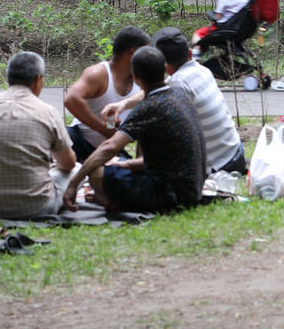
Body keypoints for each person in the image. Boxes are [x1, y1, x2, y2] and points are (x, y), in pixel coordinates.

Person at [64, 46, 205, 214]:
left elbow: (109, 147)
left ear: (136, 77)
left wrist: (74, 183)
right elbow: (156, 161)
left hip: (170, 196)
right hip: (192, 191)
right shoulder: (179, 95)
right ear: (164, 71)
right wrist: (124, 164)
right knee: (114, 164)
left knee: (97, 172)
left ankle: (114, 203)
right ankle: (117, 199)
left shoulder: (148, 107)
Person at [0, 51, 78, 219]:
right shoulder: (48, 111)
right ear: (38, 79)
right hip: (38, 207)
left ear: (8, 78)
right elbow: (68, 164)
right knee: (77, 169)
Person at [151, 27, 247, 173]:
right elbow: (163, 86)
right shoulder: (200, 70)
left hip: (220, 167)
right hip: (236, 153)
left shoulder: (178, 83)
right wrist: (125, 103)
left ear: (161, 64)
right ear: (190, 53)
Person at [63, 25, 151, 163]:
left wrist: (140, 160)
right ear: (132, 54)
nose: (147, 59)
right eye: (144, 53)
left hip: (110, 149)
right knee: (64, 137)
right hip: (80, 140)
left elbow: (152, 98)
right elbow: (71, 99)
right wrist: (102, 129)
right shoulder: (99, 73)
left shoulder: (140, 80)